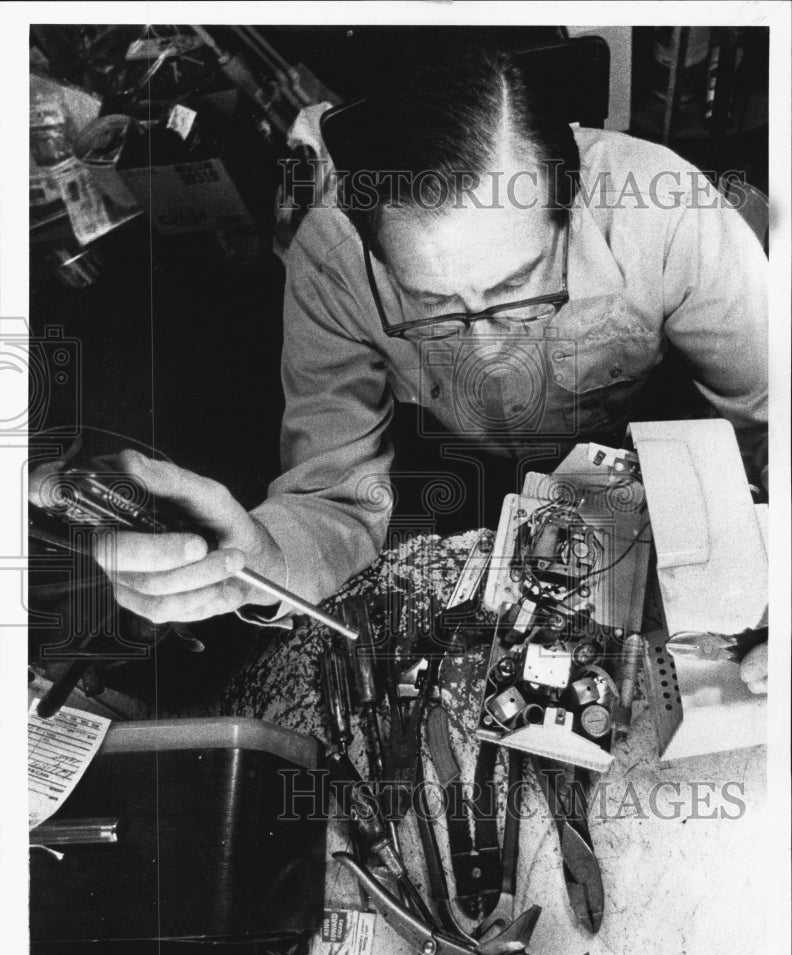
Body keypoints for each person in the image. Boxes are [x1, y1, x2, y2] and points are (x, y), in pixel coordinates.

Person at [29, 49, 768, 685]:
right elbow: (338, 496)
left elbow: (772, 416)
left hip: (665, 468)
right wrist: (265, 555)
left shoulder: (668, 212)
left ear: (568, 203)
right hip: (457, 480)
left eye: (516, 291)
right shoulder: (330, 255)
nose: (484, 354)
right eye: (431, 305)